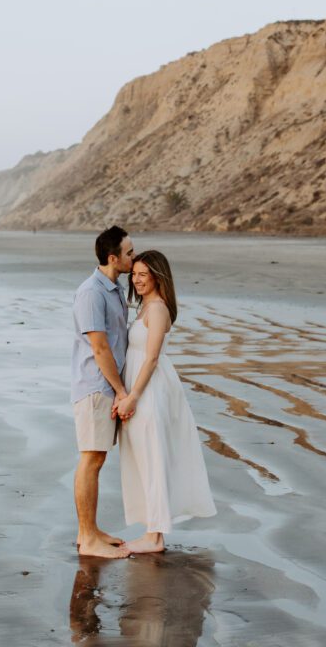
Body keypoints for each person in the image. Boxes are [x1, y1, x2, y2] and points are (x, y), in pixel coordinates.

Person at [116, 250, 216, 553]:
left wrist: (132, 396)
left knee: (153, 457)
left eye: (143, 274)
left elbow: (152, 358)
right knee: (145, 459)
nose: (136, 279)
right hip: (139, 387)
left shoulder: (158, 309)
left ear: (158, 276)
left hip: (150, 390)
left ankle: (155, 536)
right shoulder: (145, 306)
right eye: (134, 274)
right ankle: (151, 530)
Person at [72, 225, 135, 558]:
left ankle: (91, 530)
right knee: (91, 459)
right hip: (96, 387)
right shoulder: (92, 293)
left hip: (107, 386)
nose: (133, 257)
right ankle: (86, 537)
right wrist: (121, 390)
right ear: (113, 258)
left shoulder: (114, 288)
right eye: (129, 252)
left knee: (96, 458)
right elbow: (99, 348)